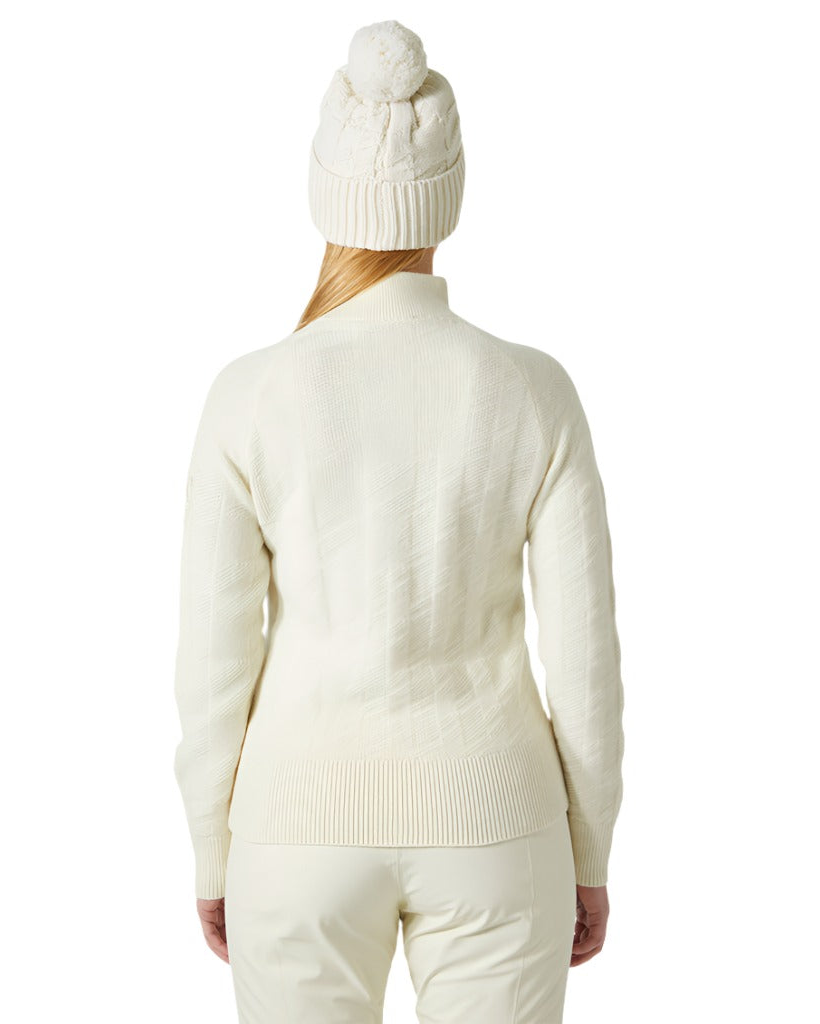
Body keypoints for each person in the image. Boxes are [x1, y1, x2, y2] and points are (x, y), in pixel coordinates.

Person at [172, 19, 625, 1024]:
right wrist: (590, 848)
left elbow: (211, 664)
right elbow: (585, 662)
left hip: (295, 828)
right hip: (498, 823)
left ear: (325, 192)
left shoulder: (249, 395)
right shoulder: (534, 390)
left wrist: (212, 848)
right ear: (447, 198)